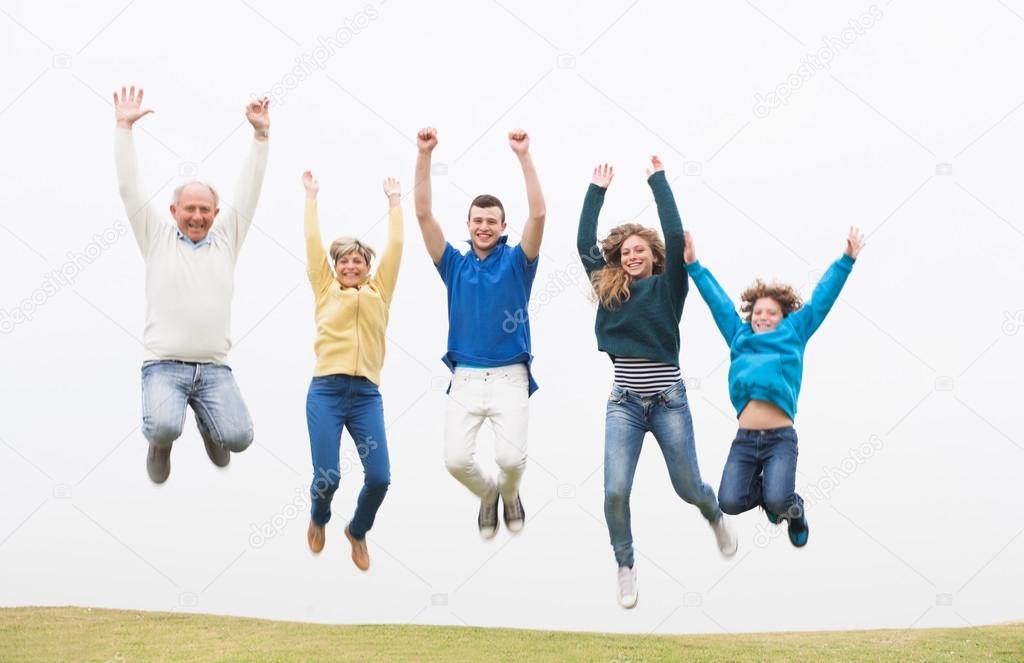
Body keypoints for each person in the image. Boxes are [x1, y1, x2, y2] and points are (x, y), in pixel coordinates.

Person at [577, 160, 735, 610]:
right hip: (624, 403)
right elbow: (582, 242)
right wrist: (596, 191)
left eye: (640, 251)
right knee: (614, 490)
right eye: (625, 251)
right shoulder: (609, 289)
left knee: (688, 487)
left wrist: (658, 181)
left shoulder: (670, 287)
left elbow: (673, 226)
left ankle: (713, 515)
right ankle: (625, 566)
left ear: (653, 256)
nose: (631, 256)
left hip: (668, 402)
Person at [112, 85, 269, 484]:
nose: (197, 216)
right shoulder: (157, 238)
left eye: (204, 210)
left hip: (214, 369)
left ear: (215, 213)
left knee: (239, 439)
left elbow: (249, 192)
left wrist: (260, 136)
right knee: (164, 425)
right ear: (174, 211)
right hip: (164, 366)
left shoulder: (227, 241)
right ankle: (160, 442)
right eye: (189, 209)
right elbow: (130, 189)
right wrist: (124, 129)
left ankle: (208, 425)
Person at [683, 227, 865, 548]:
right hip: (745, 441)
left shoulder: (793, 333)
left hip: (780, 439)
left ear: (784, 316)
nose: (763, 317)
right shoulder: (740, 338)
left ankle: (793, 510)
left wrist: (846, 261)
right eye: (758, 312)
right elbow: (719, 304)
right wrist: (694, 265)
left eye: (772, 313)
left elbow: (822, 299)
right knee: (730, 502)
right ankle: (770, 497)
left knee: (781, 500)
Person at [414, 126, 545, 540]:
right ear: (468, 224)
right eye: (478, 221)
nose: (484, 227)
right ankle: (490, 494)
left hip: (510, 377)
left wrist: (524, 156)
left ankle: (510, 493)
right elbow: (422, 214)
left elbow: (539, 215)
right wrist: (424, 154)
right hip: (466, 378)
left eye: (492, 221)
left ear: (503, 225)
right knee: (455, 462)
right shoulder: (454, 265)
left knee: (511, 459)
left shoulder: (517, 261)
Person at [301, 171, 402, 572]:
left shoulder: (380, 292)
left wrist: (394, 202)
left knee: (379, 478)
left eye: (358, 260)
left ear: (367, 267)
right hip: (326, 392)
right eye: (344, 260)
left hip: (365, 397)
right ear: (335, 267)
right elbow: (312, 244)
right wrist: (311, 198)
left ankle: (357, 531)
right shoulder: (325, 288)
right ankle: (319, 517)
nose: (351, 265)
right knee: (328, 476)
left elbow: (396, 245)